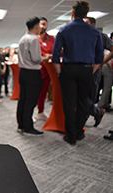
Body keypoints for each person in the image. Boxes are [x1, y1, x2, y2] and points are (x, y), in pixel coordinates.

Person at [52, 1, 104, 145]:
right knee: (82, 102)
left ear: (72, 13)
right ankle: (79, 131)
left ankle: (71, 136)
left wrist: (59, 72)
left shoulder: (64, 30)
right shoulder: (95, 32)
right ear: (86, 14)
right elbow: (99, 58)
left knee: (69, 103)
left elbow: (55, 56)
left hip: (69, 69)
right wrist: (90, 70)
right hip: (86, 69)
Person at [17, 17, 51, 136]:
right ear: (36, 26)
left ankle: (21, 124)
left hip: (23, 72)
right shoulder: (34, 39)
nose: (41, 28)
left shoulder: (23, 38)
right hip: (32, 73)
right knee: (30, 101)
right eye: (40, 26)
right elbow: (36, 58)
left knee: (23, 100)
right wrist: (45, 58)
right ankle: (28, 126)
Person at [83, 17, 113, 127]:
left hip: (94, 70)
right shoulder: (82, 36)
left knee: (89, 96)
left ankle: (82, 123)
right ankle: (98, 112)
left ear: (93, 24)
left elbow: (112, 49)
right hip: (81, 69)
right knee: (79, 95)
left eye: (87, 23)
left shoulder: (101, 36)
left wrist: (102, 62)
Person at [34, 17, 55, 121]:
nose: (42, 26)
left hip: (48, 70)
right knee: (33, 92)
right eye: (40, 24)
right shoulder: (33, 38)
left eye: (44, 24)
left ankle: (40, 111)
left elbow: (55, 51)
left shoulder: (51, 38)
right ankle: (29, 113)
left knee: (44, 91)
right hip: (36, 69)